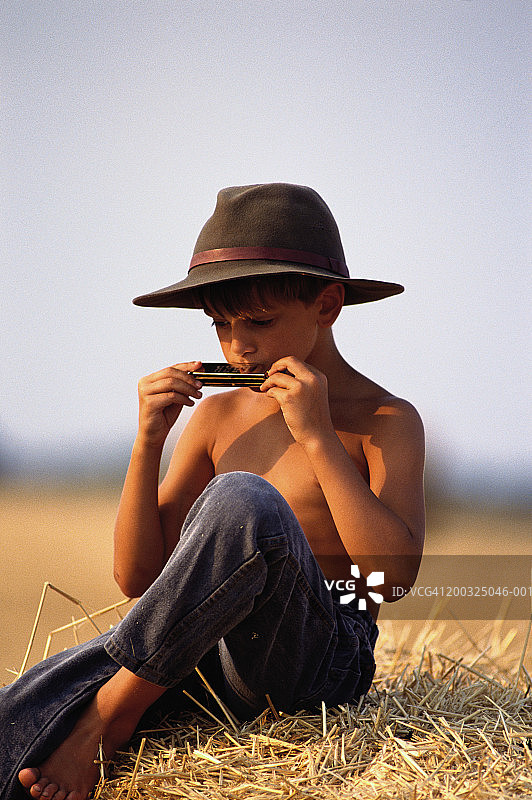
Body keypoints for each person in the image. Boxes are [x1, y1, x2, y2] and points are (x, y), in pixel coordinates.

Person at [3, 183, 425, 800]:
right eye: (221, 324)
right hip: (206, 655)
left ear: (328, 305)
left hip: (320, 660)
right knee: (20, 711)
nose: (237, 346)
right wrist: (147, 442)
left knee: (242, 501)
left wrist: (318, 437)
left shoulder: (385, 419)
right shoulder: (217, 418)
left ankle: (111, 715)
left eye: (258, 321)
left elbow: (390, 580)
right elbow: (140, 579)